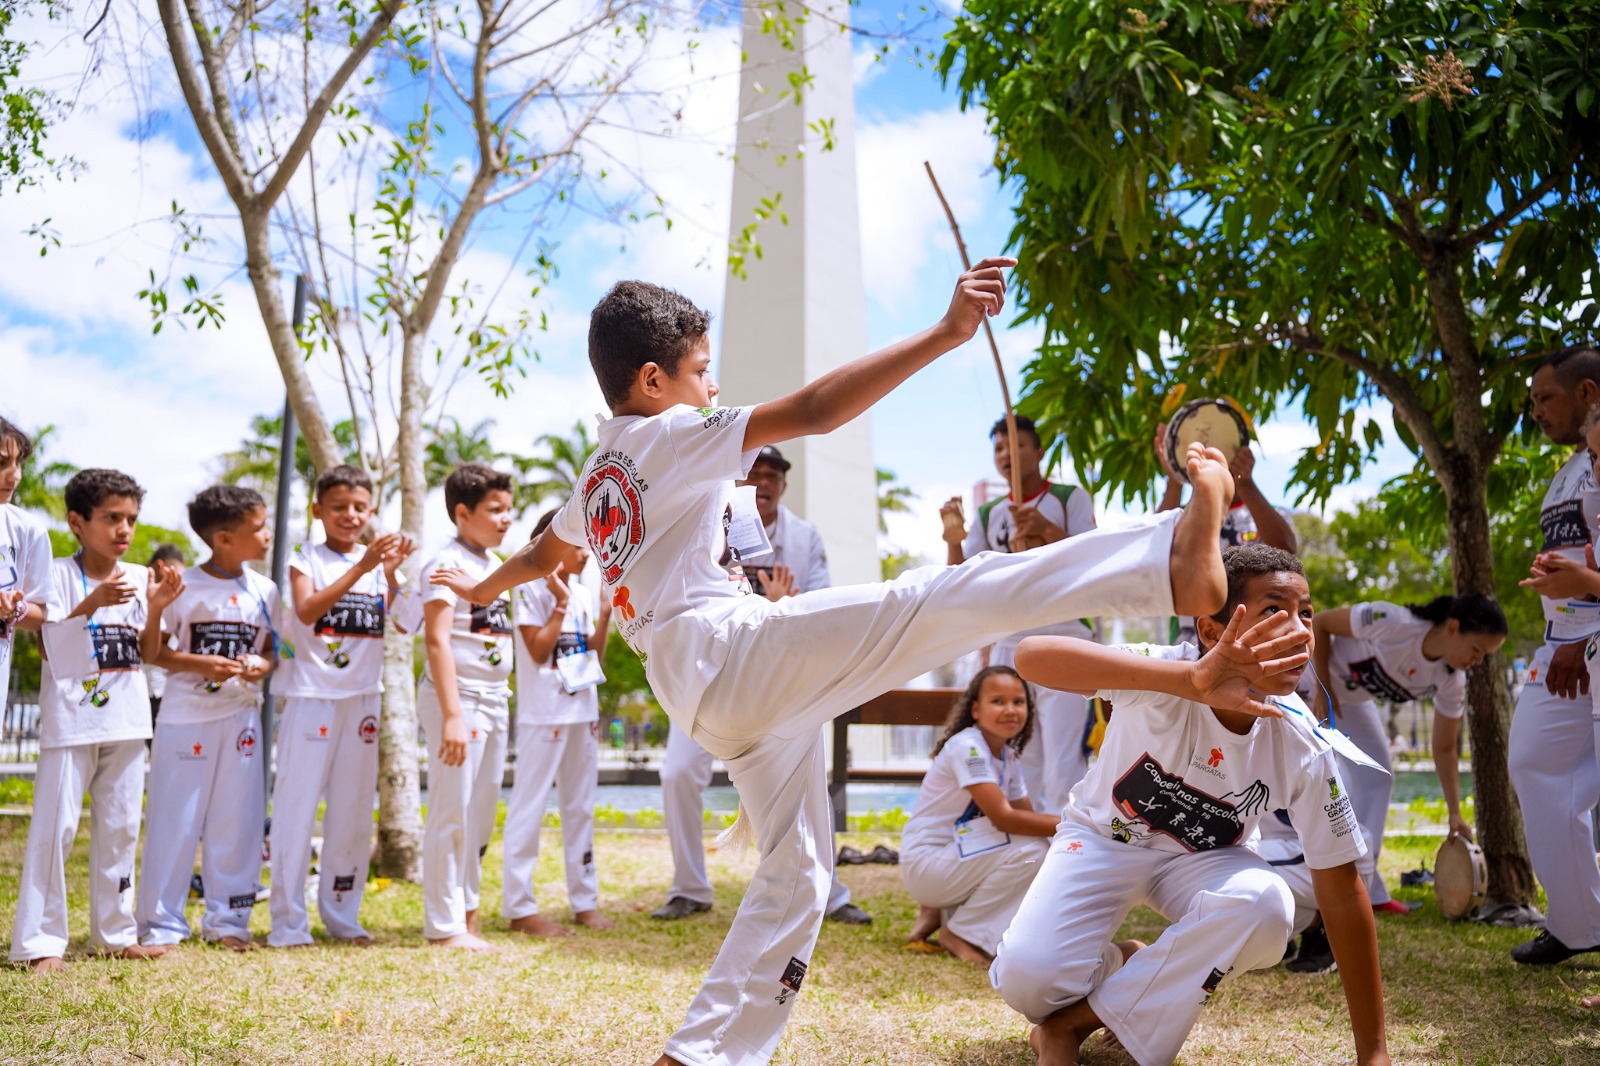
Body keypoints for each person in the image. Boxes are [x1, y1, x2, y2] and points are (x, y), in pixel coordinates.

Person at [430, 261, 1251, 1066]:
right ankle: (1165, 558)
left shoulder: (602, 470)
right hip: (730, 653)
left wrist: (477, 583)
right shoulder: (670, 433)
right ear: (652, 381)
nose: (713, 389)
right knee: (933, 600)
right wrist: (944, 332)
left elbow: (545, 552)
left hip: (702, 692)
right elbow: (818, 410)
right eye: (702, 372)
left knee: (799, 876)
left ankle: (703, 1054)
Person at [993, 545, 1387, 1066]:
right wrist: (1191, 683)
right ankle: (1124, 966)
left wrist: (1374, 1054)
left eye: (1306, 613)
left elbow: (1341, 889)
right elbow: (1031, 657)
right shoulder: (1166, 673)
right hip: (1102, 839)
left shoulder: (1300, 738)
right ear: (1209, 632)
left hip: (1203, 860)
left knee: (1268, 908)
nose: (1298, 629)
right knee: (1029, 984)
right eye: (1274, 610)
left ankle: (1071, 1024)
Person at [652, 443, 871, 926]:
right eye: (753, 472)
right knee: (676, 774)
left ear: (784, 486)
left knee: (807, 779)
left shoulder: (803, 536)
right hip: (709, 671)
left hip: (779, 676)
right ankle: (689, 886)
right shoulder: (707, 520)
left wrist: (783, 604)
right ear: (735, 479)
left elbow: (820, 605)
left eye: (773, 475)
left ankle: (829, 894)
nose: (763, 481)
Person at [10, 469, 169, 971]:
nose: (124, 529)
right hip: (71, 722)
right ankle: (40, 944)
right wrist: (91, 603)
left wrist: (158, 609)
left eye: (132, 520)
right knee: (55, 831)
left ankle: (115, 933)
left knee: (122, 828)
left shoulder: (143, 576)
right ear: (77, 522)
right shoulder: (56, 573)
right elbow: (50, 649)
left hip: (128, 720)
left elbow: (148, 653)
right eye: (112, 518)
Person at [267, 465, 414, 948]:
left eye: (359, 507)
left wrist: (391, 578)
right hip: (313, 697)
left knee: (351, 814)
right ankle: (289, 923)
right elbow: (307, 611)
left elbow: (406, 622)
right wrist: (363, 569)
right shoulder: (304, 557)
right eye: (339, 507)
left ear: (371, 512)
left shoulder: (377, 566)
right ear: (318, 511)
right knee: (296, 810)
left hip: (363, 700)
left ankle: (342, 915)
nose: (350, 515)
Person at [137, 485, 279, 951]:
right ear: (222, 537)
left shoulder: (265, 589)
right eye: (257, 528)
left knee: (237, 820)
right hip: (186, 717)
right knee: (174, 819)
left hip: (241, 719)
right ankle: (161, 926)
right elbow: (153, 652)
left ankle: (229, 922)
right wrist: (202, 665)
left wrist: (264, 666)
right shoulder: (184, 585)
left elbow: (274, 650)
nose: (267, 535)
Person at [939, 415, 1098, 814]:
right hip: (1010, 641)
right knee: (1018, 754)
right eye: (999, 448)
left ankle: (1067, 840)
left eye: (1017, 444)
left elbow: (1094, 562)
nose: (1007, 454)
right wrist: (954, 542)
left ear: (1039, 452)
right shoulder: (990, 511)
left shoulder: (1068, 499)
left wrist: (1048, 530)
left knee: (1065, 757)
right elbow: (963, 583)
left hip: (1066, 637)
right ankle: (1030, 840)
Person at [1310, 595, 1507, 912]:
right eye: (1477, 650)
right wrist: (1322, 687)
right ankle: (1299, 876)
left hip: (1347, 702)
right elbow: (1320, 623)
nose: (1478, 661)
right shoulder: (1393, 621)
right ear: (1453, 627)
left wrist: (1455, 811)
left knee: (1377, 775)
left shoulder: (1451, 681)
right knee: (1303, 775)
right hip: (1307, 679)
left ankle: (1364, 889)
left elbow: (1444, 748)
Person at [1503, 346, 1600, 963]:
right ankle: (1579, 925)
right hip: (1562, 640)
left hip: (1586, 641)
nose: (1535, 410)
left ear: (1587, 392)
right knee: (1534, 762)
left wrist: (1588, 631)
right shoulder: (1571, 468)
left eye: (1545, 397)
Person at [501, 510, 613, 936]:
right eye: (578, 544)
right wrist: (559, 604)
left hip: (581, 712)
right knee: (529, 808)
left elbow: (591, 656)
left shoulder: (584, 593)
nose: (587, 553)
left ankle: (584, 902)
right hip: (542, 716)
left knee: (580, 808)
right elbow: (537, 651)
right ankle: (520, 908)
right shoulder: (530, 588)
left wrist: (602, 615)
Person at [418, 462, 515, 951]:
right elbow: (436, 642)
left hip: (496, 700)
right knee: (451, 811)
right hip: (459, 703)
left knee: (479, 815)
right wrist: (452, 715)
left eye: (509, 510)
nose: (506, 519)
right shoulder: (443, 563)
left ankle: (469, 915)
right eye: (495, 510)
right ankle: (444, 925)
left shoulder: (495, 566)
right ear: (462, 513)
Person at [900, 665, 1057, 966]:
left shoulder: (1006, 755)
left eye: (1018, 702)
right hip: (928, 864)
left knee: (1041, 846)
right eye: (998, 701)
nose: (1010, 710)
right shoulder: (968, 748)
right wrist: (1074, 823)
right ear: (975, 709)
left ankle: (943, 914)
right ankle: (962, 933)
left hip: (952, 861)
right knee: (1033, 852)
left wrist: (1065, 831)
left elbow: (1026, 817)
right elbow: (1004, 819)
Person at [1155, 410, 1297, 646]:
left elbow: (1287, 557)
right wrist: (1174, 480)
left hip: (1260, 639)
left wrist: (1245, 482)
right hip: (1195, 642)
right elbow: (1154, 553)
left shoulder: (1271, 515)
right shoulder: (1180, 517)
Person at [0, 417, 51, 717]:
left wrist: (13, 609)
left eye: (18, 463)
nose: (14, 476)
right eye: (2, 463)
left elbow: (42, 614)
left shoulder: (27, 531)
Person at [143, 543, 187, 735]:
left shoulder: (179, 599)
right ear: (161, 567)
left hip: (172, 694)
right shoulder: (135, 596)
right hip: (144, 695)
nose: (179, 581)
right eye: (175, 573)